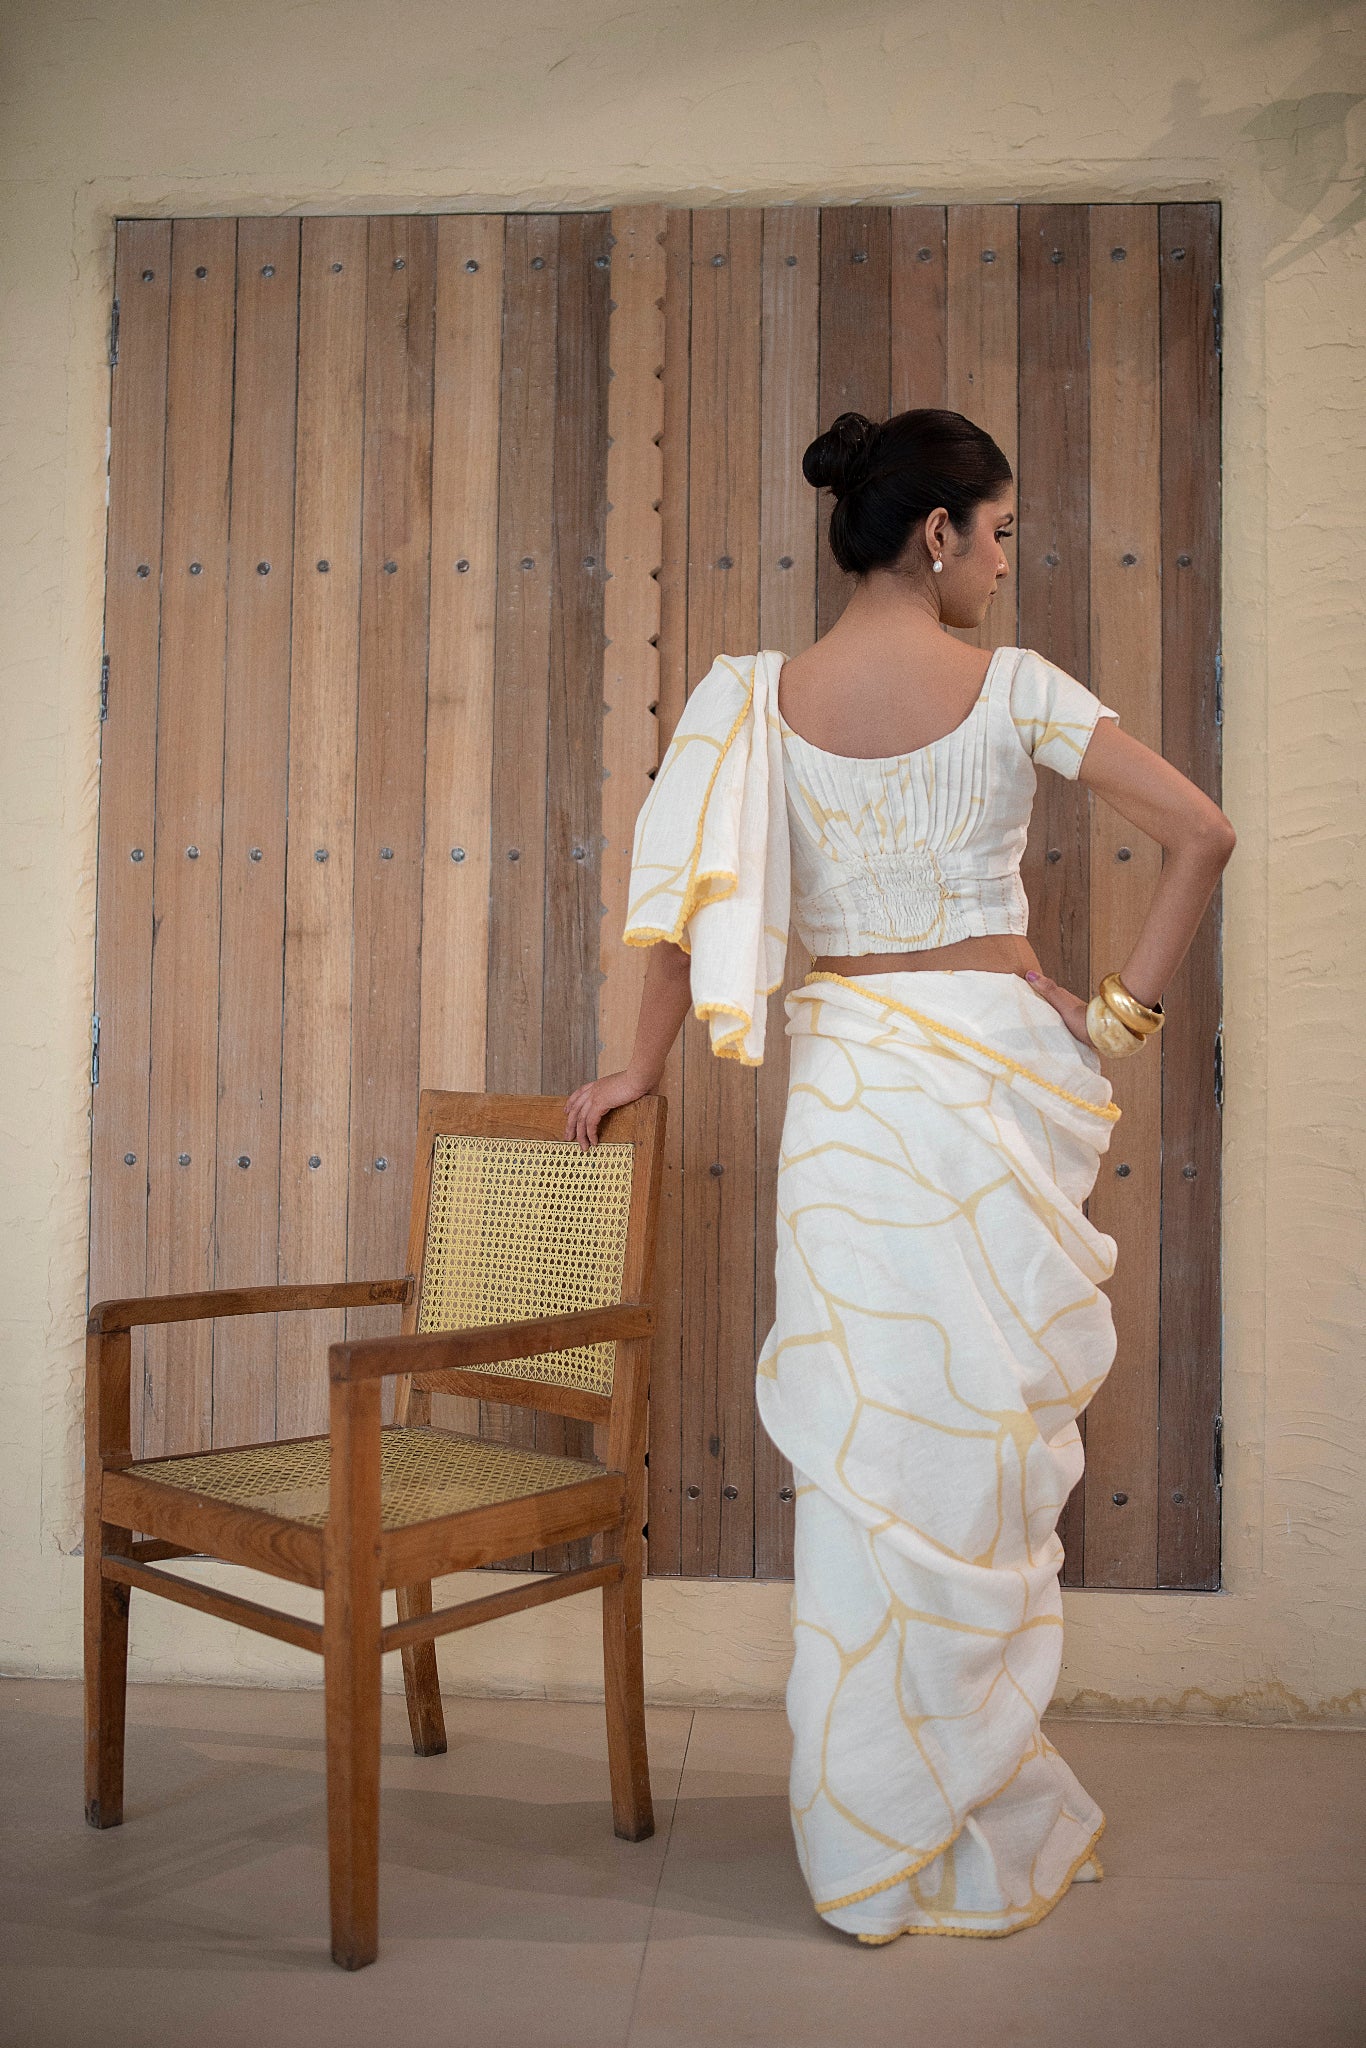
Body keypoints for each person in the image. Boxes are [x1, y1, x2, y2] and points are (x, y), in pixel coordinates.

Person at [563, 407, 1235, 1942]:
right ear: (934, 532)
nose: (1003, 564)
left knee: (874, 1465)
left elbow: (679, 912)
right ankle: (961, 1795)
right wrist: (1115, 1017)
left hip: (854, 1090)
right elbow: (1200, 833)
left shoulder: (747, 702)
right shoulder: (1015, 690)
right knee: (980, 1459)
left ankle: (864, 1831)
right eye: (996, 534)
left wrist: (637, 1072)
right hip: (993, 1073)